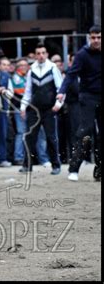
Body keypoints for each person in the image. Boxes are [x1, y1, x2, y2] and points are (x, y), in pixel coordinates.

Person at [57, 25, 101, 182]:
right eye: (93, 37)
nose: (96, 40)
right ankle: (74, 168)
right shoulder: (82, 55)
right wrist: (61, 91)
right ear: (89, 38)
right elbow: (71, 75)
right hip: (87, 97)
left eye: (99, 37)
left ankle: (99, 171)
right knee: (85, 131)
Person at [19, 42, 63, 175]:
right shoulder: (31, 69)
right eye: (38, 53)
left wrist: (58, 104)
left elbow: (60, 89)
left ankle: (56, 165)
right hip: (34, 109)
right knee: (29, 137)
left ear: (47, 54)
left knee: (51, 138)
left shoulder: (53, 68)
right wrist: (23, 106)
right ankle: (27, 165)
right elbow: (27, 91)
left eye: (43, 53)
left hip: (49, 109)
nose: (41, 56)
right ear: (35, 55)